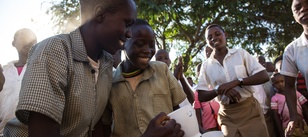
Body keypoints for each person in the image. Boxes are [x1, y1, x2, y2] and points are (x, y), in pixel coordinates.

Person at [4, 1, 184, 137]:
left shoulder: (105, 64)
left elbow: (95, 126)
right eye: (127, 23)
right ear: (100, 14)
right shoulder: (54, 51)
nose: (129, 33)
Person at [103, 19, 186, 137]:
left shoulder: (162, 70)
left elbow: (178, 111)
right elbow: (106, 125)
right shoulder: (109, 83)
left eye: (152, 45)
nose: (147, 50)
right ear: (123, 44)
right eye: (140, 44)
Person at [197, 24, 270, 137]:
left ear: (225, 35)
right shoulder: (206, 66)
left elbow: (264, 76)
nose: (214, 38)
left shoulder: (240, 54)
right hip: (227, 115)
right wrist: (219, 90)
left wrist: (237, 81)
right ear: (207, 42)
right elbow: (201, 95)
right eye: (209, 37)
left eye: (217, 34)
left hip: (249, 111)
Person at [280, 0, 308, 136]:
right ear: (294, 17)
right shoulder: (292, 50)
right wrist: (293, 115)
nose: (304, 9)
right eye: (297, 7)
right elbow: (289, 86)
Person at [0, 28, 37, 135]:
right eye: (23, 36)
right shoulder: (4, 71)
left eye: (33, 39)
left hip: (29, 132)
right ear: (13, 43)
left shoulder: (40, 69)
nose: (29, 41)